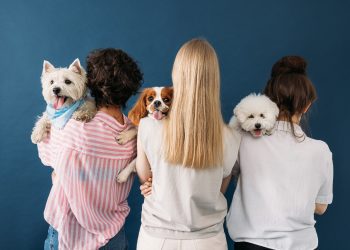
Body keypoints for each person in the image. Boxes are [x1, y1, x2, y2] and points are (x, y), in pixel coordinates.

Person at [135, 38, 241, 250]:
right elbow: (219, 188)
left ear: (177, 75)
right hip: (208, 241)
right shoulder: (231, 136)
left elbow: (145, 176)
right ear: (214, 80)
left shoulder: (147, 126)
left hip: (156, 239)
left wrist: (156, 183)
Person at [38, 48, 143, 250]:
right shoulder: (135, 133)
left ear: (88, 83)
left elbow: (46, 156)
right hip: (113, 234)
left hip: (70, 234)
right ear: (131, 89)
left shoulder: (72, 127)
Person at [226, 56, 333, 250]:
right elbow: (321, 207)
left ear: (269, 101)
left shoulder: (242, 139)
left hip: (251, 244)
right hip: (302, 245)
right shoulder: (321, 150)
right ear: (306, 105)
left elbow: (219, 180)